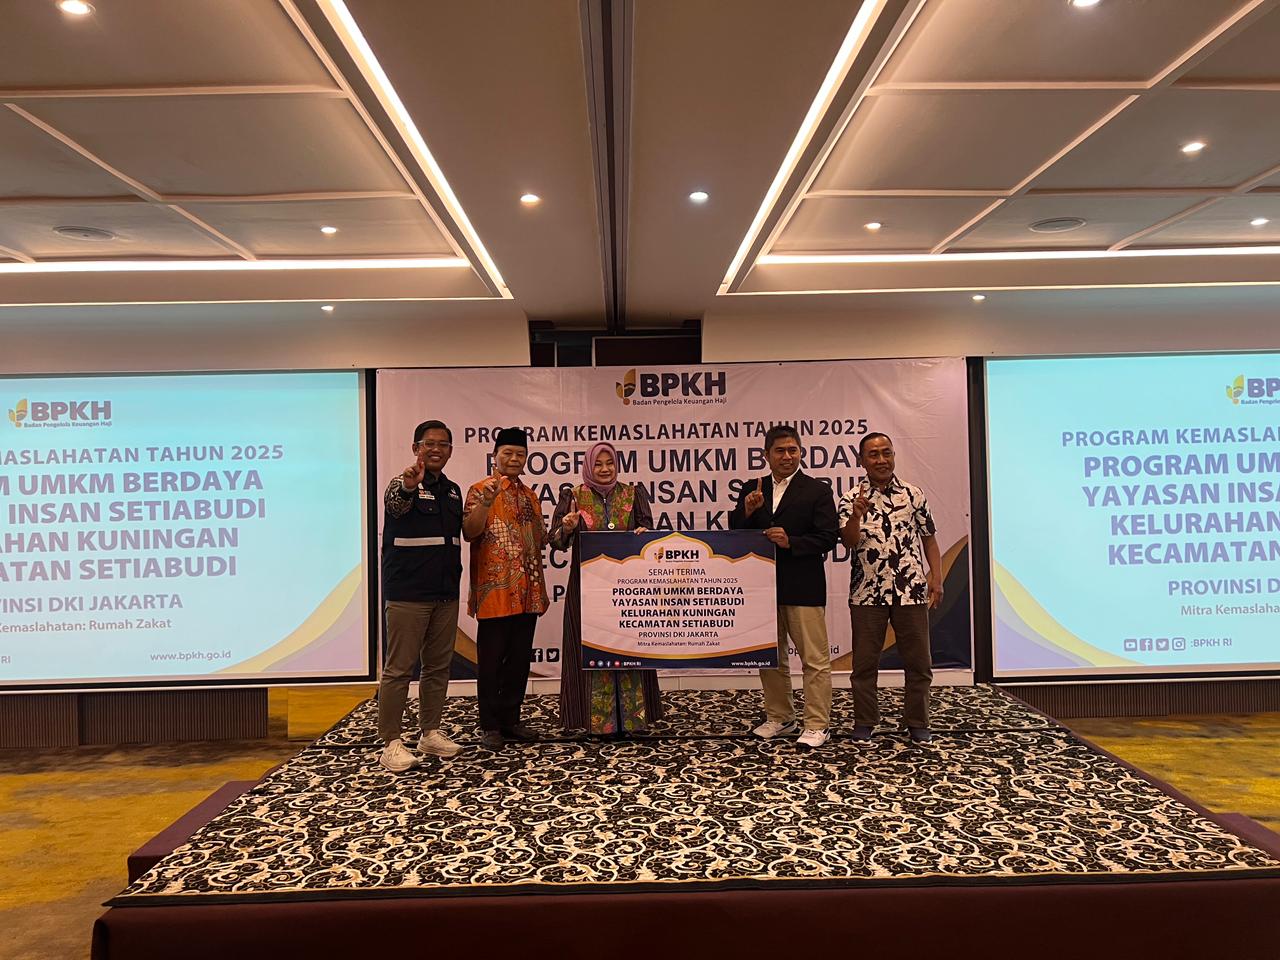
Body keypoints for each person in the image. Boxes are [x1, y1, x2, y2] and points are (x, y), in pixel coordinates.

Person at [729, 425, 838, 748]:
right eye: (780, 451)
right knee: (771, 658)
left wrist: (792, 541)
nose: (787, 456)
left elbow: (828, 538)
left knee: (814, 660)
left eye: (793, 450)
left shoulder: (817, 490)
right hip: (763, 589)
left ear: (801, 452)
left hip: (803, 585)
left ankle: (817, 724)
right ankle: (781, 717)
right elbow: (734, 532)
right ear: (766, 455)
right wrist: (747, 510)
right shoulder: (752, 488)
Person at [550, 442, 664, 736]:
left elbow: (650, 538)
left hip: (628, 591)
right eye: (598, 464)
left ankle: (634, 721)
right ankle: (596, 723)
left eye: (609, 463)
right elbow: (556, 542)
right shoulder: (574, 496)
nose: (604, 469)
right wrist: (567, 527)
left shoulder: (632, 494)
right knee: (589, 648)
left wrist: (644, 535)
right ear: (589, 466)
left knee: (629, 645)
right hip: (587, 590)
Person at [838, 432, 943, 744]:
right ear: (862, 460)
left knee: (919, 663)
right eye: (873, 454)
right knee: (864, 665)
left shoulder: (913, 494)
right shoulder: (850, 498)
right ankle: (865, 721)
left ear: (894, 456)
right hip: (866, 593)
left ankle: (918, 722)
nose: (881, 460)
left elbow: (929, 539)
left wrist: (937, 578)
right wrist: (856, 516)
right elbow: (848, 542)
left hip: (911, 591)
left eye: (886, 453)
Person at [377, 419, 465, 773]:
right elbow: (396, 504)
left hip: (445, 593)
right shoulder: (402, 484)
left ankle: (430, 732)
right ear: (416, 448)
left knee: (438, 667)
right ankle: (391, 743)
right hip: (408, 593)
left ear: (450, 451)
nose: (436, 449)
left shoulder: (453, 491)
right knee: (399, 670)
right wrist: (408, 487)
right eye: (429, 443)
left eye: (443, 444)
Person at [463, 427, 550, 750]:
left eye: (520, 454)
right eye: (508, 453)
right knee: (490, 663)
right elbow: (470, 532)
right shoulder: (479, 490)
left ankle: (511, 720)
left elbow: (540, 539)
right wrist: (486, 504)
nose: (514, 459)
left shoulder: (530, 496)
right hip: (495, 593)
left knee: (518, 661)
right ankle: (489, 725)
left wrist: (564, 529)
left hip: (528, 592)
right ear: (495, 456)